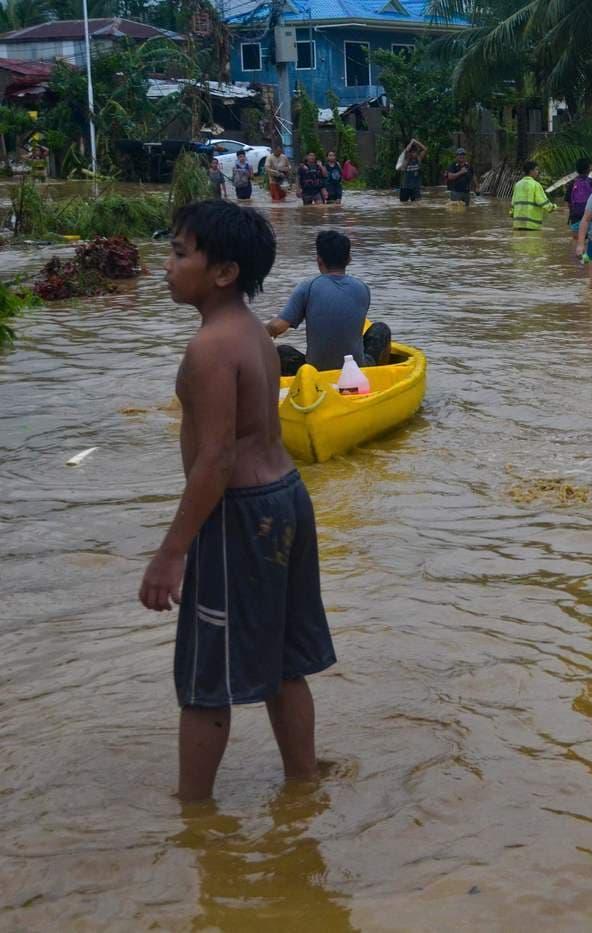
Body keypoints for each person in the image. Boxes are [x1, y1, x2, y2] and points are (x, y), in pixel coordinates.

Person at [139, 199, 335, 801]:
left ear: (223, 272)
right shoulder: (252, 331)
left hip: (240, 516)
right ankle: (302, 786)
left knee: (206, 677)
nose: (166, 266)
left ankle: (194, 817)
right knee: (283, 662)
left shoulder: (209, 349)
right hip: (286, 499)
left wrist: (172, 551)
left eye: (178, 254)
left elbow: (216, 458)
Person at [267, 229, 391, 376]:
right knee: (381, 329)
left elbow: (277, 327)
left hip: (314, 372)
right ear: (349, 259)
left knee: (282, 351)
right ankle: (377, 377)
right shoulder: (363, 288)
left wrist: (254, 332)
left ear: (319, 260)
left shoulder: (307, 287)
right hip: (355, 370)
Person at [511, 160, 555, 231]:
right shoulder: (536, 185)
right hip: (532, 225)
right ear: (531, 171)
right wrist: (553, 207)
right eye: (536, 169)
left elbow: (513, 203)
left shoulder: (517, 185)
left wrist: (511, 213)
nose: (538, 172)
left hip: (518, 223)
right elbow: (542, 202)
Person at [566, 157, 592, 233]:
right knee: (591, 241)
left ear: (577, 169)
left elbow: (569, 203)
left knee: (577, 241)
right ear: (588, 169)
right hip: (591, 219)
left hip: (576, 219)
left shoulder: (572, 184)